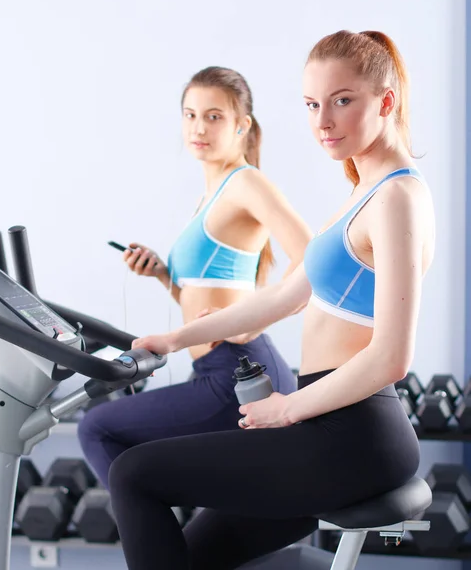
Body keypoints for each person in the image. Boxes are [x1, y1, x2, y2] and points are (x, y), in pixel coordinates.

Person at [107, 30, 436, 570]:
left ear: (386, 101)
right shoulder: (365, 188)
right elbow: (287, 295)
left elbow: (392, 356)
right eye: (312, 104)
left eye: (342, 101)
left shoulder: (397, 196)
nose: (322, 121)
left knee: (133, 474)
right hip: (328, 429)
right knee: (191, 555)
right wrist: (175, 337)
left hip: (351, 440)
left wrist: (287, 409)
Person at [78, 66, 312, 488]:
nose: (198, 127)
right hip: (214, 369)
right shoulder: (214, 192)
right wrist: (165, 277)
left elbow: (313, 260)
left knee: (96, 427)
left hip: (237, 373)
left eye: (214, 116)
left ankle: (154, 544)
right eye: (190, 115)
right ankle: (167, 543)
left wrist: (251, 322)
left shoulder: (246, 183)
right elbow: (206, 299)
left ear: (242, 125)